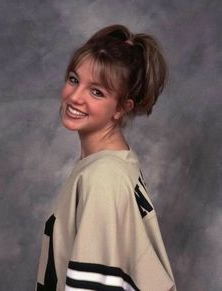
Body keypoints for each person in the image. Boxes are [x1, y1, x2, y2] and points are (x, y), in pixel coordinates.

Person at [35, 24, 176, 291]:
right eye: (74, 79)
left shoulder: (103, 178)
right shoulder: (115, 162)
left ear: (122, 108)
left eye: (97, 92)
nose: (75, 97)